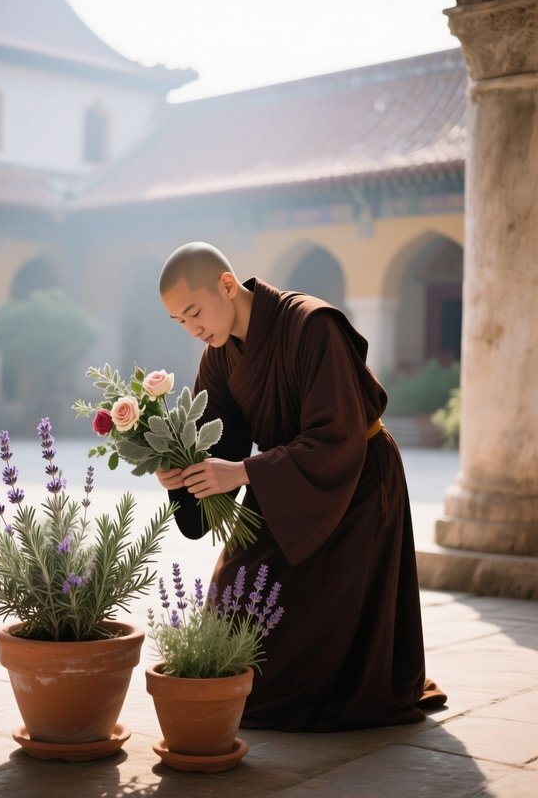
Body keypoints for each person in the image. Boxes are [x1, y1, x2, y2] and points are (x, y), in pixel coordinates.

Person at [156, 241, 446, 732]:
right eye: (180, 323)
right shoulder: (221, 355)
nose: (194, 329)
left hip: (355, 478)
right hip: (286, 480)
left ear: (227, 286)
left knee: (317, 617)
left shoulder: (312, 325)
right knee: (235, 590)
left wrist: (246, 472)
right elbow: (216, 441)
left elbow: (338, 434)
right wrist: (182, 475)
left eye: (194, 312)